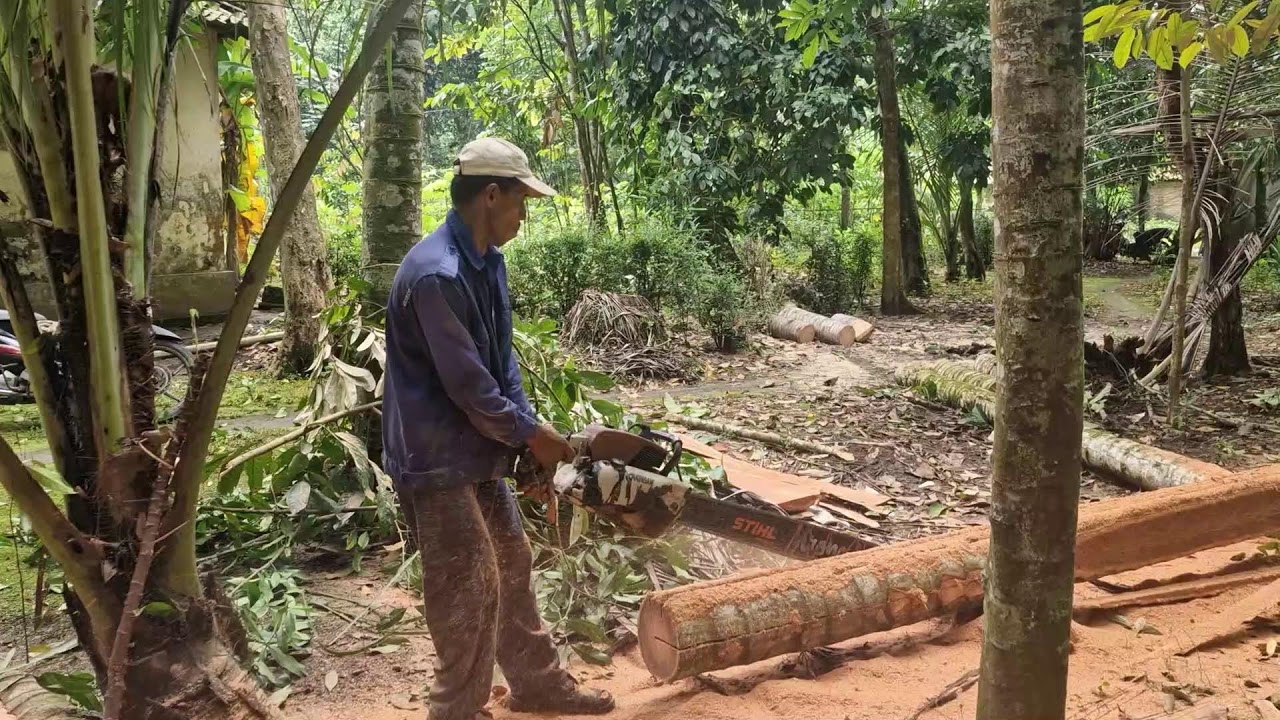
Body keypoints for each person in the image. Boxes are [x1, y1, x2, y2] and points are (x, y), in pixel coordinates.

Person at [382, 137, 615, 720]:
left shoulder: (487, 263)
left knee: (511, 560)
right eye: (519, 202)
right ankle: (455, 710)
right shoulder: (437, 274)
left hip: (476, 445)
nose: (523, 215)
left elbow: (500, 363)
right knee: (469, 582)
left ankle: (537, 684)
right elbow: (469, 387)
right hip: (436, 456)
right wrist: (528, 435)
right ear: (491, 195)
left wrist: (529, 431)